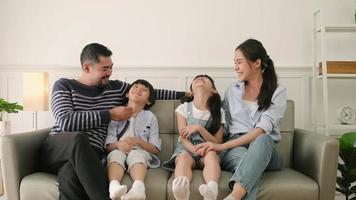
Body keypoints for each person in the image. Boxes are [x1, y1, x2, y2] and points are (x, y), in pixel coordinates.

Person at [39, 43, 185, 200]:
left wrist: (187, 94)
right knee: (78, 137)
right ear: (87, 68)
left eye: (111, 67)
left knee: (69, 174)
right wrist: (109, 114)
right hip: (58, 147)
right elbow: (66, 122)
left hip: (91, 154)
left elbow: (150, 92)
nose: (109, 73)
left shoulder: (115, 88)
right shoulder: (64, 86)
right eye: (104, 69)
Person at [194, 39, 287, 200]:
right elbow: (212, 105)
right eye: (234, 62)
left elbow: (261, 130)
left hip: (266, 150)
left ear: (257, 63)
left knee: (263, 139)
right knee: (250, 167)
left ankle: (234, 196)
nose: (235, 67)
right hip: (236, 148)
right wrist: (186, 95)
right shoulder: (232, 91)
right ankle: (235, 196)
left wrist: (222, 146)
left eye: (239, 62)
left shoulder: (277, 92)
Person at [162, 74, 225, 200]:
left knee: (212, 155)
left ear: (214, 91)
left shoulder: (219, 112)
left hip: (208, 149)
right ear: (191, 92)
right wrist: (195, 150)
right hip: (187, 149)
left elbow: (218, 142)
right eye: (196, 78)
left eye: (205, 78)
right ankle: (181, 189)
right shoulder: (183, 108)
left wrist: (199, 128)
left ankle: (212, 190)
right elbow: (184, 139)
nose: (200, 78)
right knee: (183, 158)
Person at [105, 79, 160, 200]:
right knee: (115, 155)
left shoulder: (150, 117)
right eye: (135, 87)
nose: (138, 89)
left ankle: (138, 189)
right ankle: (114, 187)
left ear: (149, 100)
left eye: (144, 90)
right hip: (119, 149)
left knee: (136, 154)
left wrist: (138, 141)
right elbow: (108, 145)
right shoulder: (116, 114)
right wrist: (118, 144)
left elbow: (155, 149)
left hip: (140, 151)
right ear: (127, 93)